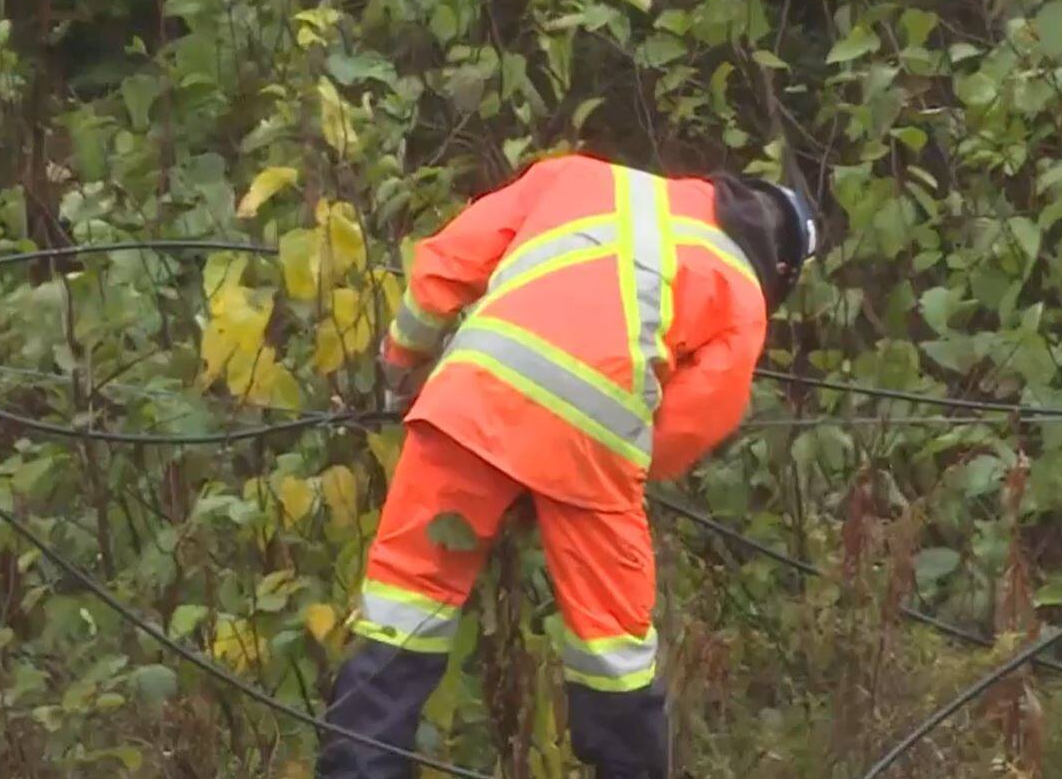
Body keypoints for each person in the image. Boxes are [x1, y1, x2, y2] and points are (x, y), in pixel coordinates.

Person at [315, 152, 819, 778]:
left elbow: (446, 264)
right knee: (615, 654)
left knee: (402, 611)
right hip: (594, 447)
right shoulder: (743, 295)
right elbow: (687, 426)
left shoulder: (579, 176)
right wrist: (561, 474)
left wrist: (399, 365)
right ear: (782, 265)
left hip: (470, 401)